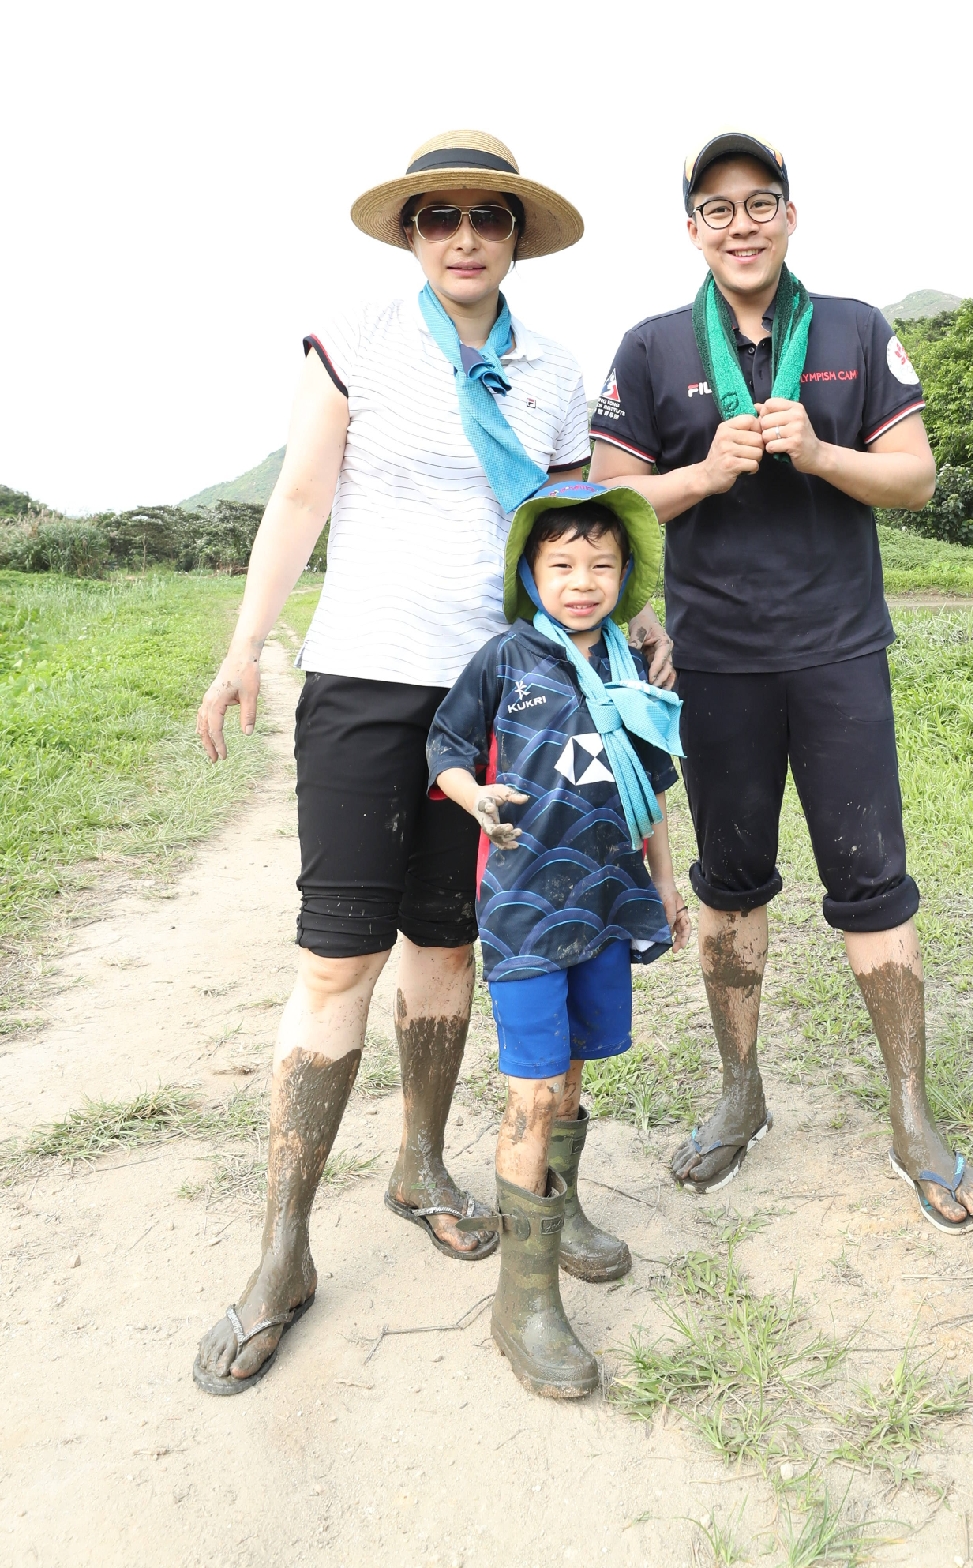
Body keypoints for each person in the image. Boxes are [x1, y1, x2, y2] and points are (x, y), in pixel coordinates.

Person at [191, 134, 674, 1397]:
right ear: (411, 234)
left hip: (508, 697)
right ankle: (283, 1249)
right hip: (363, 678)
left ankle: (422, 1164)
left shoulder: (555, 370)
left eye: (489, 218)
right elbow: (301, 497)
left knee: (457, 945)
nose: (464, 237)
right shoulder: (357, 339)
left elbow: (568, 540)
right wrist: (249, 649)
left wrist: (620, 639)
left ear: (518, 236)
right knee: (338, 955)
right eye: (439, 217)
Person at [589, 132, 973, 1231]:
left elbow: (914, 476)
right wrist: (704, 474)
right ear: (693, 232)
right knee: (729, 885)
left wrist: (817, 455)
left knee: (874, 880)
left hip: (839, 651)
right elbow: (611, 509)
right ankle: (739, 1090)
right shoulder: (653, 347)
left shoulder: (856, 331)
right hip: (714, 659)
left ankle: (911, 1112)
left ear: (789, 215)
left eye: (758, 202)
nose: (740, 224)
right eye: (715, 210)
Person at [429, 480, 690, 1397]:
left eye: (602, 565)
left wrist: (663, 880)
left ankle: (564, 1209)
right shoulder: (505, 659)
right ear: (531, 573)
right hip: (527, 913)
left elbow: (647, 787)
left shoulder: (631, 664)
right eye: (563, 565)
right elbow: (446, 748)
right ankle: (523, 1301)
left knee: (576, 1071)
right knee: (532, 1095)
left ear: (626, 576)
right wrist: (476, 799)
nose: (583, 581)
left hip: (608, 904)